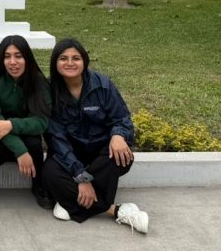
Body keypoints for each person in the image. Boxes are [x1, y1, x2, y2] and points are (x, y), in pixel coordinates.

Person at [41, 38, 149, 233]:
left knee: (120, 157)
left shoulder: (103, 85)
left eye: (76, 58)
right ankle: (116, 211)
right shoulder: (49, 91)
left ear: (85, 61)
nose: (70, 63)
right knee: (49, 172)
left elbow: (122, 118)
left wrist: (118, 136)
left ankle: (69, 200)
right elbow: (56, 138)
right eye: (63, 58)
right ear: (55, 63)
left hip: (101, 154)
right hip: (70, 156)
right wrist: (81, 177)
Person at [0, 35, 52, 210]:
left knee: (34, 142)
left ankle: (38, 182)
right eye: (7, 56)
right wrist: (21, 152)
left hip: (21, 132)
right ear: (1, 58)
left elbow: (42, 122)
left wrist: (10, 125)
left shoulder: (37, 80)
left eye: (18, 56)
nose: (13, 62)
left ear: (27, 58)